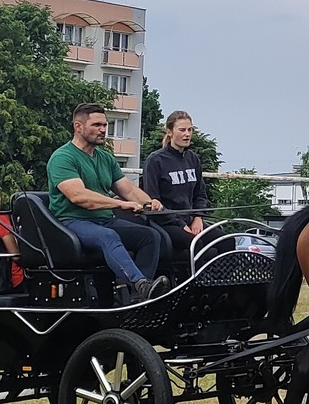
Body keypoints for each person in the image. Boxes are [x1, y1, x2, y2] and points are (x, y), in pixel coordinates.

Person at [48, 102, 167, 302]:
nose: (103, 130)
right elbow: (79, 196)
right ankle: (140, 283)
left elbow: (128, 190)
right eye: (97, 125)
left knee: (150, 236)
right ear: (78, 127)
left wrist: (150, 202)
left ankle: (138, 296)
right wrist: (120, 204)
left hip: (104, 220)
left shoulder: (105, 158)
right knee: (108, 236)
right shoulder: (62, 158)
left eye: (105, 125)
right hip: (72, 222)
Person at [141, 111, 214, 266]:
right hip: (167, 223)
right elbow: (153, 200)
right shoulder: (155, 160)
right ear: (169, 132)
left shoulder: (193, 158)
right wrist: (181, 225)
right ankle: (197, 281)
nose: (187, 134)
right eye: (182, 130)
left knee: (226, 241)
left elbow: (200, 194)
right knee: (197, 245)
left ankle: (221, 281)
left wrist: (198, 217)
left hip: (192, 219)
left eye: (190, 130)